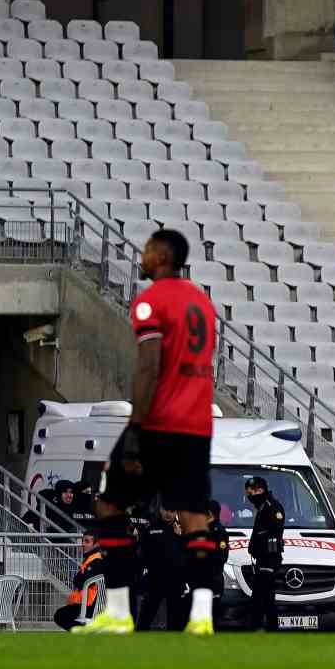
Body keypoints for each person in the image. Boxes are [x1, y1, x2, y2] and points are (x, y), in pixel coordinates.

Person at [78, 228, 220, 636]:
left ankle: (120, 612)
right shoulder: (202, 302)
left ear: (160, 255)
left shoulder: (150, 302)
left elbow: (148, 367)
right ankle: (202, 616)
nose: (141, 256)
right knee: (195, 516)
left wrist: (136, 428)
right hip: (197, 424)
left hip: (160, 422)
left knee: (108, 505)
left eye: (146, 250)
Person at [134, 508, 187, 631]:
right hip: (155, 580)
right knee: (144, 620)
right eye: (166, 510)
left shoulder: (183, 528)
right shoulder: (151, 526)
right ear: (160, 510)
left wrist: (180, 537)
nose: (168, 514)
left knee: (175, 623)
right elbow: (142, 552)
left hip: (175, 582)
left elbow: (189, 553)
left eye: (172, 510)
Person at [245, 475, 285, 632]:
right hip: (262, 560)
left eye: (250, 493)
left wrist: (266, 563)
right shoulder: (262, 507)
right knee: (261, 598)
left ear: (260, 490)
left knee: (265, 599)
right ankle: (259, 628)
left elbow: (273, 534)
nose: (248, 497)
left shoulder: (272, 507)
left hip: (269, 560)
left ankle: (268, 629)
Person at [54, 535, 107, 631]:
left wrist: (79, 578)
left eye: (87, 542)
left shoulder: (96, 561)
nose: (83, 544)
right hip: (86, 604)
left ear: (95, 545)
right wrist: (79, 579)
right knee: (61, 615)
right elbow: (78, 580)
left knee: (60, 615)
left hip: (89, 606)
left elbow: (81, 582)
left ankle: (86, 631)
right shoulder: (92, 559)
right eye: (83, 541)